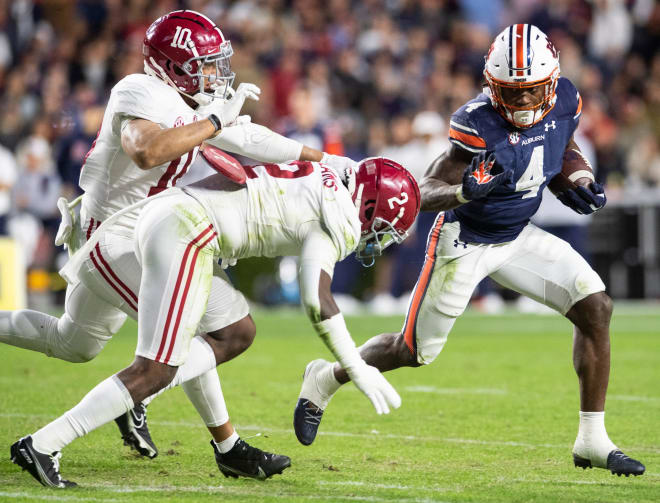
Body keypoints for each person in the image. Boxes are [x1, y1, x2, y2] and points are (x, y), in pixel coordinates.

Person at [0, 9, 356, 466]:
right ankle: (220, 443)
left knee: (74, 343)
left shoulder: (196, 101)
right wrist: (212, 124)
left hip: (148, 233)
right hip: (111, 236)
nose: (214, 73)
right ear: (170, 65)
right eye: (204, 64)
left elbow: (252, 140)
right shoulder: (139, 90)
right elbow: (146, 150)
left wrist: (327, 161)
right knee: (210, 330)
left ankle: (206, 435)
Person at [293, 24, 645, 477]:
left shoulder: (564, 101)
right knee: (411, 351)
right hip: (465, 241)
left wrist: (575, 176)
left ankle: (592, 439)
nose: (521, 103)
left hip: (518, 235)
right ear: (492, 87)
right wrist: (465, 192)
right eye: (510, 93)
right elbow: (426, 189)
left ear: (552, 82)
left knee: (595, 307)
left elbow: (562, 145)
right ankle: (326, 376)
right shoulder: (476, 121)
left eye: (530, 92)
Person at [10, 156, 421, 488]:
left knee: (235, 331)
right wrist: (356, 368)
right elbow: (318, 301)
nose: (377, 240)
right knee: (156, 368)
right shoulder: (338, 222)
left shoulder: (340, 168)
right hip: (186, 231)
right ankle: (44, 443)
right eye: (381, 230)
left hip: (177, 217)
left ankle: (228, 449)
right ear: (366, 208)